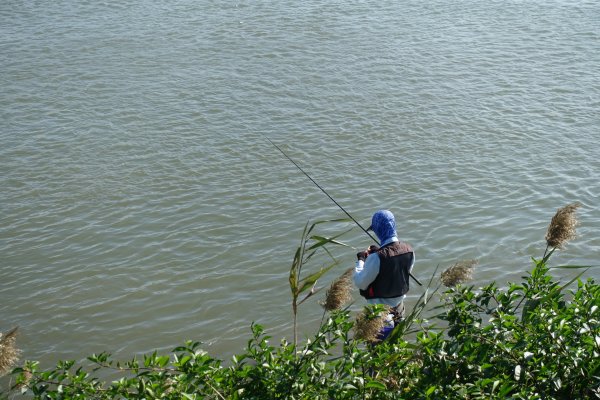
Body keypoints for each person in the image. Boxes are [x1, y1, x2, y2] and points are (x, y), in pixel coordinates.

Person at [353, 210, 415, 340]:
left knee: (377, 353)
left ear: (378, 230)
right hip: (399, 309)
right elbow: (395, 269)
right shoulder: (409, 250)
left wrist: (361, 260)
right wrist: (379, 251)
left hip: (379, 314)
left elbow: (360, 282)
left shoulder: (376, 258)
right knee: (395, 347)